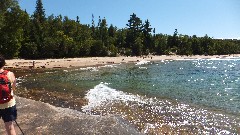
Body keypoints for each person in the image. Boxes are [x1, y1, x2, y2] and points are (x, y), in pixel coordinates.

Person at [0, 55, 17, 135]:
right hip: (8, 104)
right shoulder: (10, 74)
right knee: (10, 127)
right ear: (3, 64)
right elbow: (13, 88)